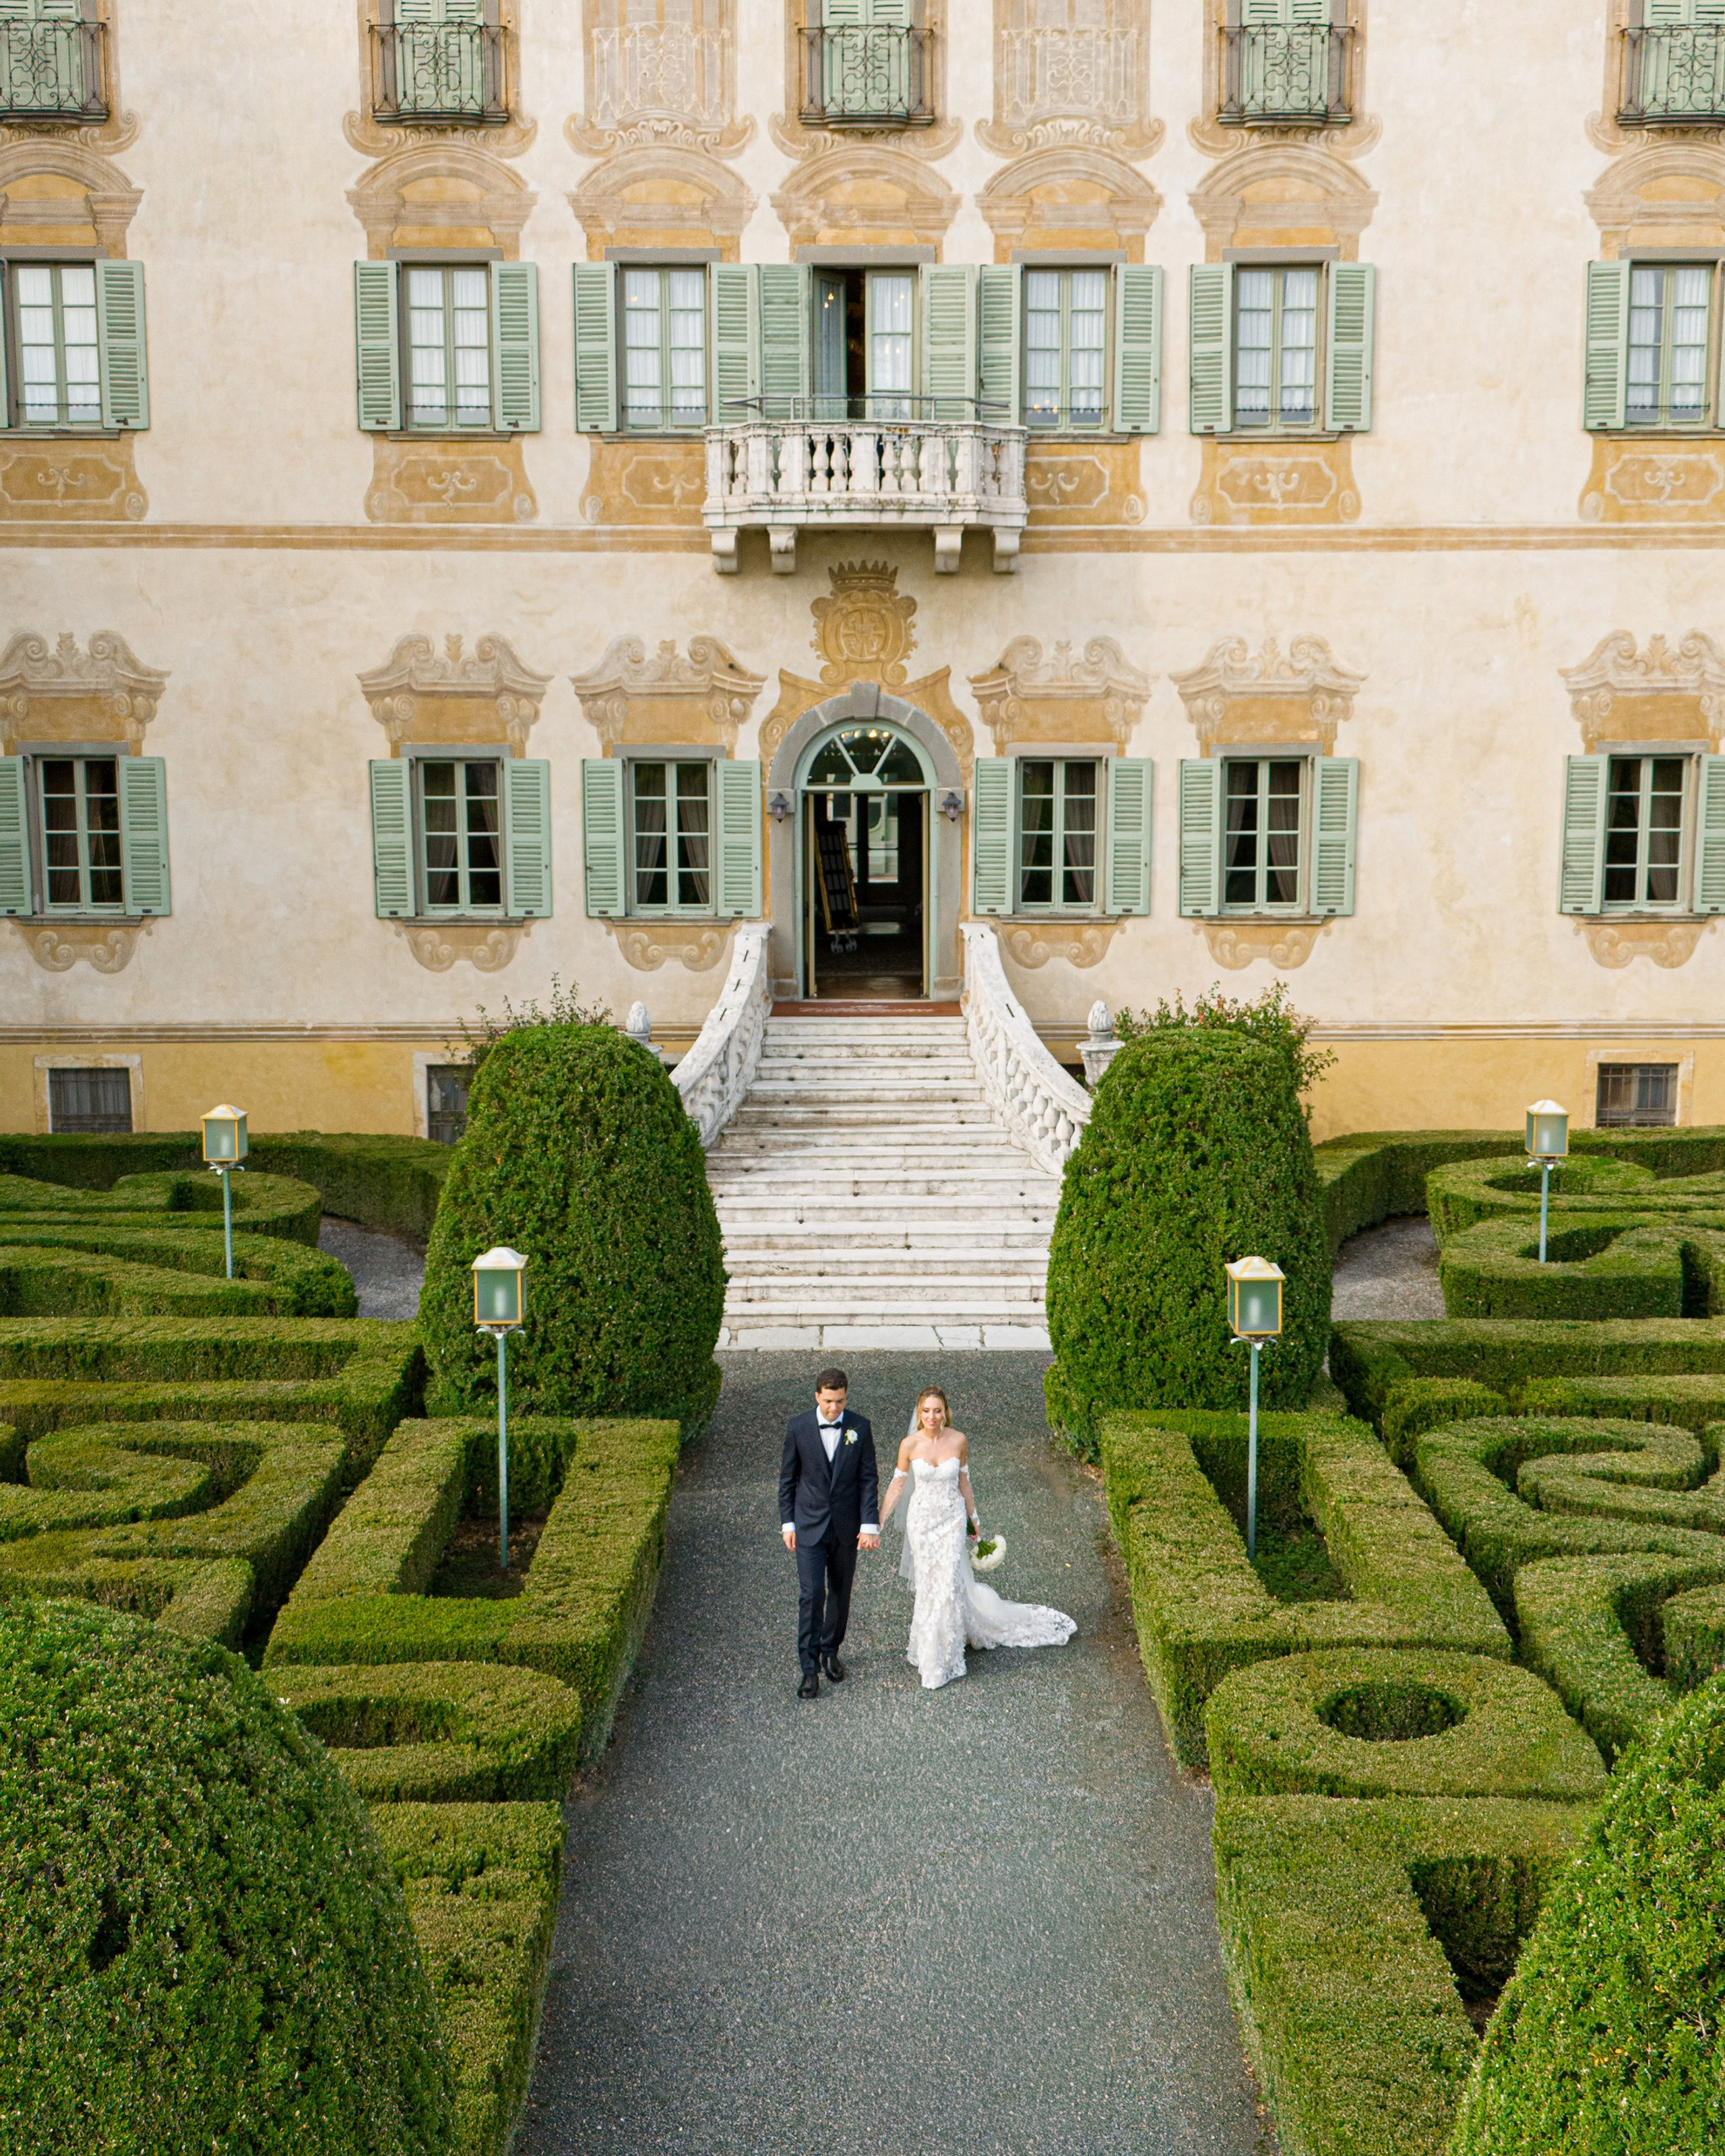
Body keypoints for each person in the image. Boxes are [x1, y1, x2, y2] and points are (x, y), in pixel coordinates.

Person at [876, 1385, 1075, 1691]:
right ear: (919, 1413)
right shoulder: (909, 1445)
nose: (932, 1416)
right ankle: (930, 1651)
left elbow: (964, 1482)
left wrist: (974, 1520)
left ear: (946, 1412)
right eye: (926, 1411)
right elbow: (897, 1486)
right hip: (923, 1524)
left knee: (948, 1585)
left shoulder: (958, 1441)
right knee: (930, 1586)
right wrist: (876, 1522)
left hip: (952, 1520)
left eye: (937, 1410)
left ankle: (946, 1653)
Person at [779, 1367, 880, 1701]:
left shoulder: (860, 1427)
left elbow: (868, 1478)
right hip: (808, 1525)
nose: (834, 1408)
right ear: (817, 1397)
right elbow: (788, 1481)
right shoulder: (798, 1427)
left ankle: (830, 1651)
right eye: (828, 1402)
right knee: (811, 1596)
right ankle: (809, 1669)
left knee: (840, 1591)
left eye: (840, 1402)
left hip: (847, 1527)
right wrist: (788, 1524)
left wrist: (868, 1524)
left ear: (846, 1397)